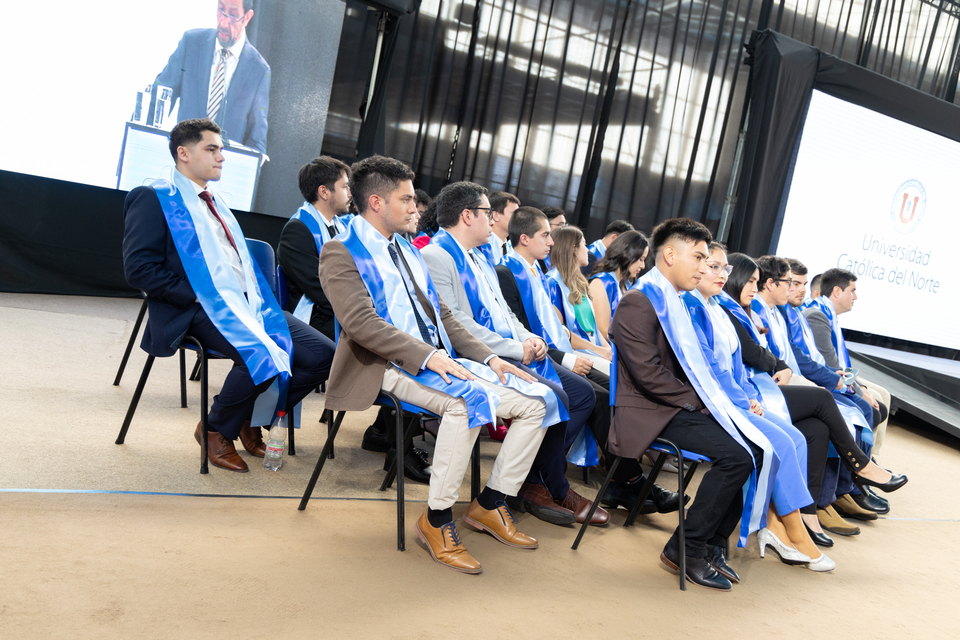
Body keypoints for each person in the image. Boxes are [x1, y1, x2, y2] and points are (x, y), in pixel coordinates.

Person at [319, 155, 553, 575]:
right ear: (376, 202)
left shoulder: (408, 249)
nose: (416, 208)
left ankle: (490, 504)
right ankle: (437, 519)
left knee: (537, 402)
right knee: (465, 403)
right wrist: (428, 356)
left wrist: (490, 357)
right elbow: (360, 324)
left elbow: (442, 315)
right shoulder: (341, 250)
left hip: (438, 358)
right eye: (407, 199)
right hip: (386, 364)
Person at [122, 118, 333, 472]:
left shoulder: (216, 203)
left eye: (221, 149)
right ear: (183, 153)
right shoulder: (154, 198)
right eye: (212, 149)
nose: (221, 157)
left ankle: (249, 417)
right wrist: (200, 295)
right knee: (261, 353)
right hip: (195, 308)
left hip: (248, 304)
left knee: (321, 355)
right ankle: (215, 429)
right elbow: (139, 270)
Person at [421, 182, 607, 526]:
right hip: (475, 355)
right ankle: (542, 486)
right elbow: (455, 324)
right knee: (559, 396)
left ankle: (538, 481)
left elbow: (504, 313)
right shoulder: (436, 256)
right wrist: (514, 348)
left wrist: (529, 338)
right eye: (487, 213)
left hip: (508, 348)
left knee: (582, 394)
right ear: (467, 216)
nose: (493, 221)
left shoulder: (478, 258)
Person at [495, 207, 684, 517]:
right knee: (588, 395)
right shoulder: (509, 273)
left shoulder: (534, 273)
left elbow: (555, 330)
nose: (551, 242)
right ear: (525, 238)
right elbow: (517, 331)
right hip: (532, 355)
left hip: (553, 351)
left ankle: (623, 479)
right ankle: (542, 477)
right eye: (546, 235)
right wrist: (567, 358)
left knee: (611, 392)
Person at [611, 218, 766, 591]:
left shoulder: (675, 300)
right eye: (698, 258)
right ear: (669, 254)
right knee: (737, 456)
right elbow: (648, 375)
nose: (703, 267)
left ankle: (713, 543)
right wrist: (703, 402)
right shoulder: (640, 301)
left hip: (676, 404)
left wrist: (718, 399)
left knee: (756, 447)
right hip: (649, 411)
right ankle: (686, 546)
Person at [721, 254, 907, 538]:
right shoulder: (734, 309)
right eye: (791, 283)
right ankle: (859, 469)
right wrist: (781, 366)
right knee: (827, 401)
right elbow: (757, 353)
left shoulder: (762, 311)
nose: (797, 290)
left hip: (770, 382)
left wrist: (782, 366)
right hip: (754, 390)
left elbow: (777, 355)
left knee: (819, 427)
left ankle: (811, 510)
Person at [687, 243, 833, 570]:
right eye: (713, 266)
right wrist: (744, 399)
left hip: (737, 398)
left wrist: (748, 394)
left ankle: (782, 522)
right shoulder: (695, 308)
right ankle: (791, 530)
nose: (721, 274)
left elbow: (735, 365)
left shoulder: (717, 307)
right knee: (778, 443)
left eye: (724, 269)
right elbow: (710, 367)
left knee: (797, 437)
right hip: (714, 404)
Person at [152, 0, 271, 154]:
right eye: (221, 10)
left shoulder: (258, 70)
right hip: (183, 158)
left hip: (223, 165)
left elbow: (257, 141)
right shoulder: (191, 43)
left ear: (247, 18)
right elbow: (157, 99)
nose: (224, 22)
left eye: (233, 15)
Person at [278, 156, 352, 341]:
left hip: (337, 310)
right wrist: (357, 310)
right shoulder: (297, 230)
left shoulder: (341, 228)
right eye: (345, 187)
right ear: (324, 192)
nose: (350, 194)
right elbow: (319, 289)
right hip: (315, 317)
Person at [546, 227, 613, 374]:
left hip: (592, 347)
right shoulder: (552, 282)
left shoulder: (580, 282)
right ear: (573, 249)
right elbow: (560, 332)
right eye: (584, 244)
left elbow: (593, 327)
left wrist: (607, 349)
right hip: (574, 351)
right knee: (616, 375)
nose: (587, 249)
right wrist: (597, 350)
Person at [588, 230, 649, 341]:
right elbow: (602, 331)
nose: (643, 266)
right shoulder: (602, 282)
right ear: (626, 254)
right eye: (640, 259)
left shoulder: (627, 285)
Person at [477, 191, 520, 266]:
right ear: (495, 216)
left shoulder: (513, 249)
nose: (519, 219)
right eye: (514, 214)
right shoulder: (481, 246)